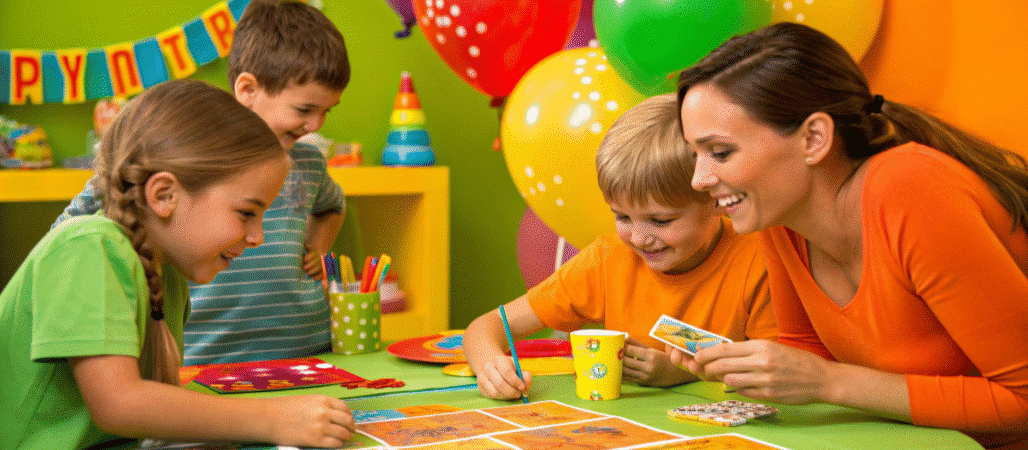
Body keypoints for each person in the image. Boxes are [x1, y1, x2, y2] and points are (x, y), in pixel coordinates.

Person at [670, 22, 1028, 449]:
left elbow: (1024, 397)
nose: (698, 179)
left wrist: (829, 382)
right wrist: (745, 367)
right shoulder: (779, 215)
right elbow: (805, 352)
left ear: (814, 138)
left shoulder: (911, 187)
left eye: (720, 152)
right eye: (695, 155)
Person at [0, 79, 355, 449]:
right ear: (164, 195)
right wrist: (272, 419)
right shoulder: (88, 247)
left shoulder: (166, 275)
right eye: (247, 213)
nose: (258, 236)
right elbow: (119, 404)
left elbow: (152, 417)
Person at [53, 0, 350, 365]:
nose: (317, 125)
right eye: (304, 110)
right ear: (247, 89)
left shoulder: (309, 161)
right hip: (204, 356)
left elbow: (333, 205)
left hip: (304, 351)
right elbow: (99, 199)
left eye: (327, 111)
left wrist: (318, 248)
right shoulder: (191, 151)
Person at [463, 94, 777, 401]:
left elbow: (776, 370)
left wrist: (682, 371)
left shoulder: (759, 260)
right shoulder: (608, 259)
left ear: (716, 200)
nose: (639, 238)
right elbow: (487, 326)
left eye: (660, 220)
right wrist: (490, 366)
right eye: (622, 216)